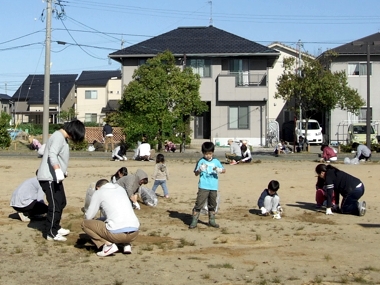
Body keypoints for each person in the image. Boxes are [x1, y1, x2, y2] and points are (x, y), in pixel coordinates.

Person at [37, 119, 86, 241]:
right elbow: (52, 154)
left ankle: (56, 227)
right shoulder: (58, 136)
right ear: (74, 132)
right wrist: (58, 170)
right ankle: (50, 232)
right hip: (49, 177)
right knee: (55, 205)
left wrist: (63, 171)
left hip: (55, 177)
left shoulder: (61, 137)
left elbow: (59, 156)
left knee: (62, 202)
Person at [82, 179, 140, 257]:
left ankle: (108, 246)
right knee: (115, 220)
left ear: (98, 187)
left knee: (84, 224)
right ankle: (126, 245)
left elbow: (89, 217)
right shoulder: (121, 189)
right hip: (134, 232)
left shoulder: (99, 192)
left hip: (117, 235)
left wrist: (86, 215)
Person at [189, 142, 226, 229]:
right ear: (203, 153)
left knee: (212, 204)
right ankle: (194, 221)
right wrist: (200, 170)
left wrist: (219, 170)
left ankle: (212, 221)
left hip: (213, 186)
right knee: (199, 203)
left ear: (212, 152)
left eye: (209, 153)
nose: (208, 156)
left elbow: (224, 170)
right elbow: (195, 173)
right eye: (206, 154)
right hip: (203, 186)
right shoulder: (201, 161)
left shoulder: (216, 161)